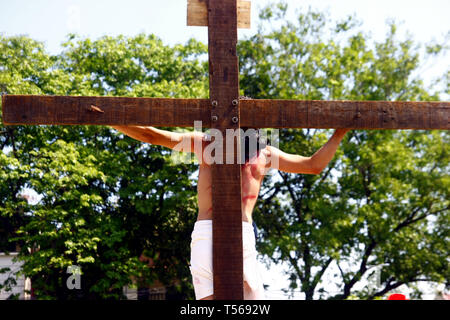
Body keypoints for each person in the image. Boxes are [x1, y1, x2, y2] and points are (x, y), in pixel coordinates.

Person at [110, 122, 349, 300]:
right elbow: (313, 165)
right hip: (237, 233)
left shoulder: (208, 142)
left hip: (211, 232)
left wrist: (112, 119)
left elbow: (152, 135)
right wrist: (338, 134)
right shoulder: (263, 154)